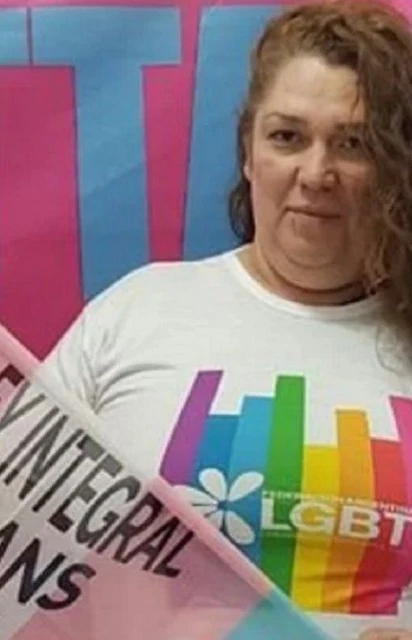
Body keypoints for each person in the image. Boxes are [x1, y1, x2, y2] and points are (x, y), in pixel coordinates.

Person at [45, 1, 412, 638]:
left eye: (353, 144)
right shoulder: (138, 313)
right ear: (248, 150)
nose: (316, 173)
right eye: (287, 137)